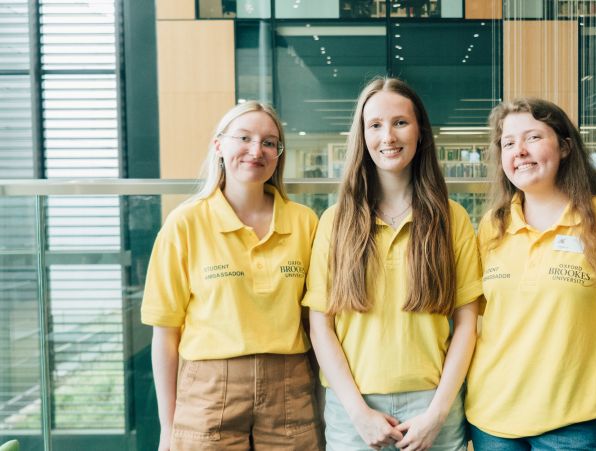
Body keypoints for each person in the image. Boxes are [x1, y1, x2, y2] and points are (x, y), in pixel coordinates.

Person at [303, 77, 482, 451]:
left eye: (400, 122)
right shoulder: (335, 221)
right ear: (362, 136)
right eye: (375, 125)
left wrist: (437, 413)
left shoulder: (453, 219)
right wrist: (357, 413)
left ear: (420, 133)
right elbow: (321, 324)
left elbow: (468, 323)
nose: (389, 136)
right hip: (354, 407)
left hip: (434, 402)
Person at [466, 98, 596, 450]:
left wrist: (589, 380)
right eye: (508, 143)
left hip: (575, 424)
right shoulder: (493, 224)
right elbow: (478, 317)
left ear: (565, 147)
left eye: (533, 137)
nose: (519, 151)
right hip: (492, 417)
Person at [141, 101, 323, 450]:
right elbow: (165, 333)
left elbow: (314, 323)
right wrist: (168, 428)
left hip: (290, 386)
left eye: (270, 142)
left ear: (278, 154)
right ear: (219, 146)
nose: (257, 150)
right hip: (208, 391)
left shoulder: (305, 222)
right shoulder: (186, 222)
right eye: (244, 137)